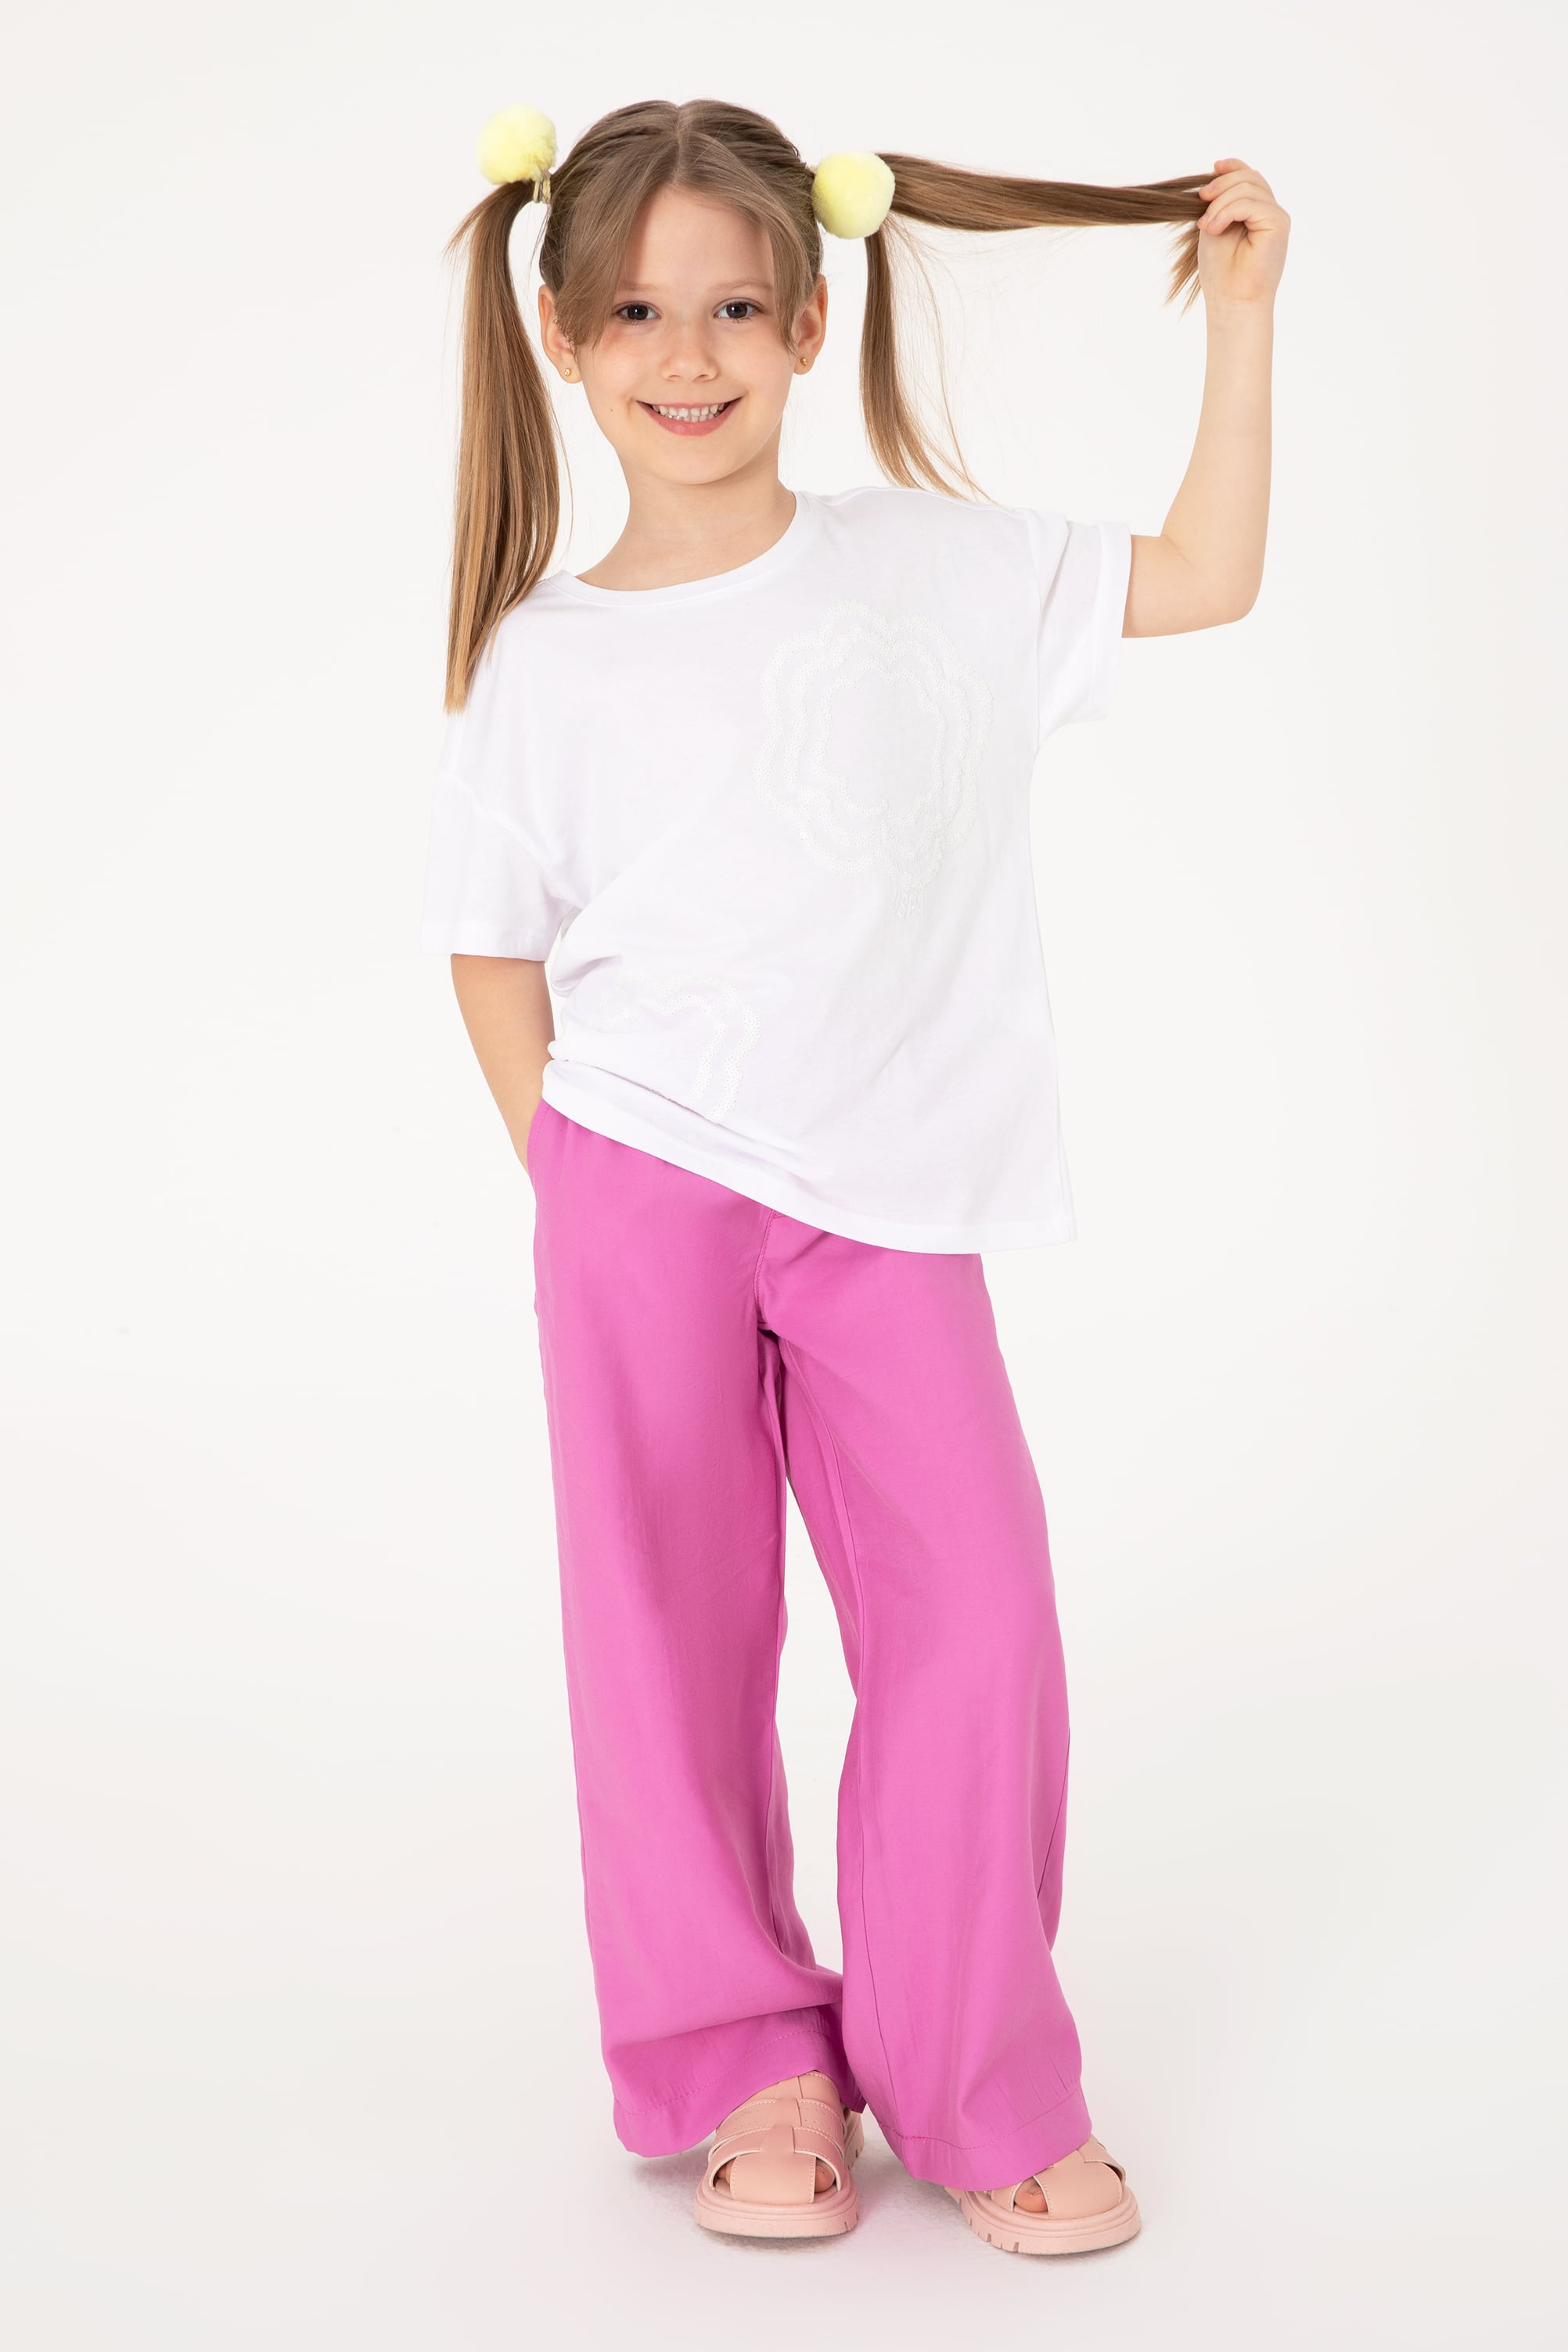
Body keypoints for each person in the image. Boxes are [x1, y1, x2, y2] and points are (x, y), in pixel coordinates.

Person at [420, 95, 1286, 2253]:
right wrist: (574, 1186)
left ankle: (973, 2076)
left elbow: (1205, 576)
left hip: (888, 1207)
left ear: (811, 321)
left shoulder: (934, 568)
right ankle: (745, 2062)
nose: (686, 354)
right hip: (638, 1189)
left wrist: (1241, 321)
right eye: (637, 314)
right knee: (665, 1636)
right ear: (563, 336)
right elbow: (492, 945)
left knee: (975, 1619)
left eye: (732, 308)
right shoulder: (543, 659)